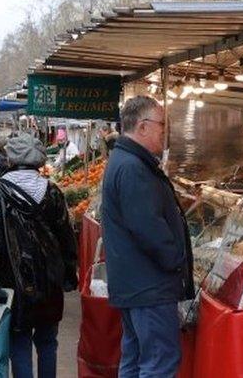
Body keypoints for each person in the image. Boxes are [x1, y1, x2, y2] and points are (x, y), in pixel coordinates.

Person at [101, 96, 194, 377]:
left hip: (135, 285)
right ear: (142, 127)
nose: (164, 132)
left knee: (135, 359)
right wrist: (176, 261)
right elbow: (147, 227)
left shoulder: (126, 160)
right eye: (161, 125)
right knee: (158, 364)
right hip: (149, 286)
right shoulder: (132, 167)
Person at [0, 133, 78, 378]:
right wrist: (68, 274)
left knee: (18, 343)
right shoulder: (52, 191)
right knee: (47, 342)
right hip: (49, 279)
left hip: (12, 280)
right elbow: (67, 237)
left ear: (10, 159)